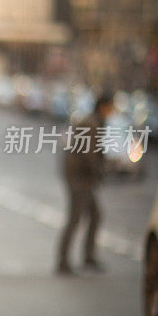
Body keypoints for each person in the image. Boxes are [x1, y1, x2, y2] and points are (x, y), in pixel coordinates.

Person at [56, 94, 115, 275]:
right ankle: (63, 262)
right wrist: (101, 172)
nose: (113, 111)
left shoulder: (95, 121)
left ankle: (88, 257)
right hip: (78, 177)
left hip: (82, 177)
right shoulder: (91, 124)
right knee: (75, 218)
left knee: (95, 216)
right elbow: (89, 154)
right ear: (103, 106)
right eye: (111, 107)